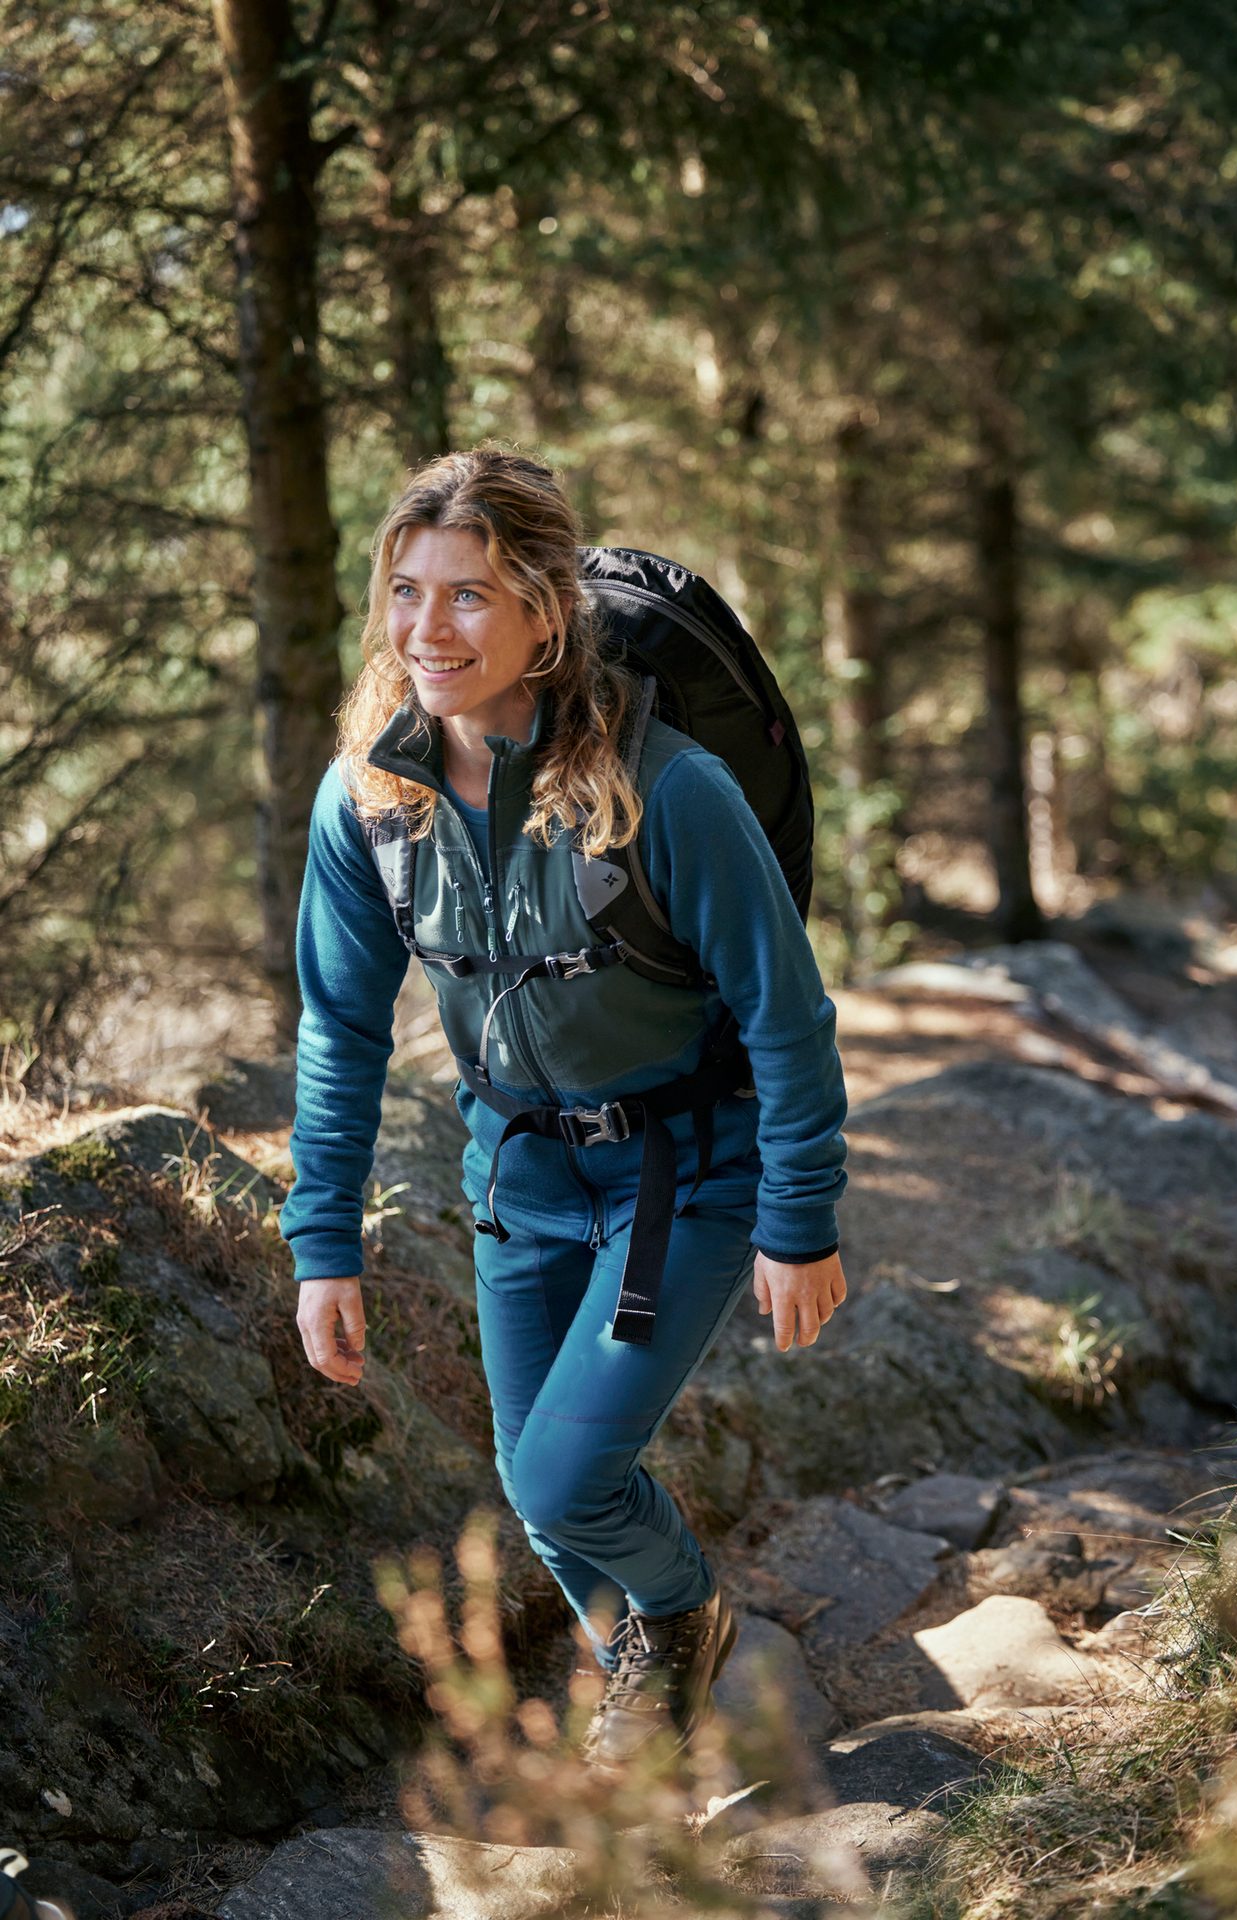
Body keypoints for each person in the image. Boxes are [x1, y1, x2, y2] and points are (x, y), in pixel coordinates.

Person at [280, 447, 849, 1774]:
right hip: (520, 1185)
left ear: (545, 607)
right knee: (548, 1503)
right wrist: (323, 1244)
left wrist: (800, 1217)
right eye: (406, 593)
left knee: (558, 1481)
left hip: (693, 1174)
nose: (428, 630)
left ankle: (683, 1616)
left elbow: (787, 1014)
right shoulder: (374, 800)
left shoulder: (673, 791)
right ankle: (658, 1755)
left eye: (469, 595)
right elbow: (342, 1029)